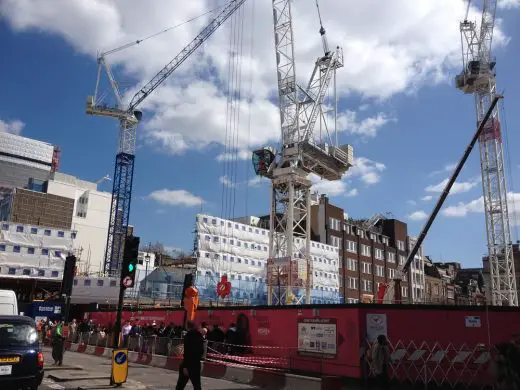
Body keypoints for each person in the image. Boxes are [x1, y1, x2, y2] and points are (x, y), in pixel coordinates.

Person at [175, 321, 204, 390]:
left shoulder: (188, 336)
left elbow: (187, 352)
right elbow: (201, 351)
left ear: (187, 327)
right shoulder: (199, 335)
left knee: (180, 385)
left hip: (188, 365)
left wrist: (185, 366)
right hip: (196, 365)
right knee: (197, 386)